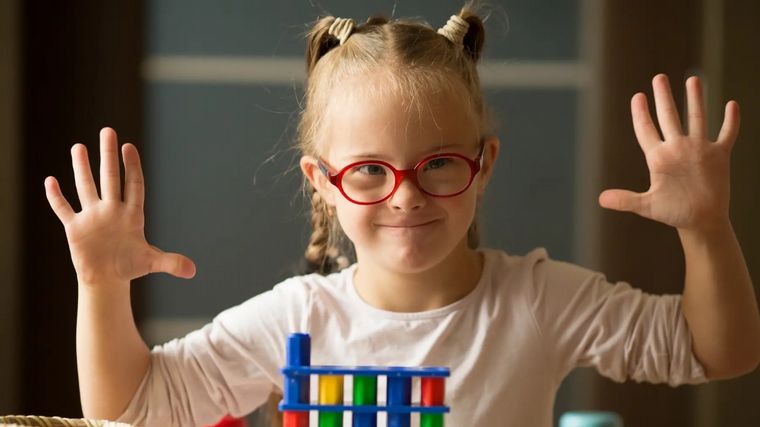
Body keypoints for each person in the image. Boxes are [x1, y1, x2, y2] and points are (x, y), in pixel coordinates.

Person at [44, 5, 760, 427]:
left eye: (439, 162)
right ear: (322, 183)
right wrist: (102, 286)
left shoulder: (541, 301)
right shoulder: (294, 319)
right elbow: (129, 412)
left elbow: (716, 349)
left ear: (483, 166)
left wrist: (704, 228)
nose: (406, 195)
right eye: (369, 171)